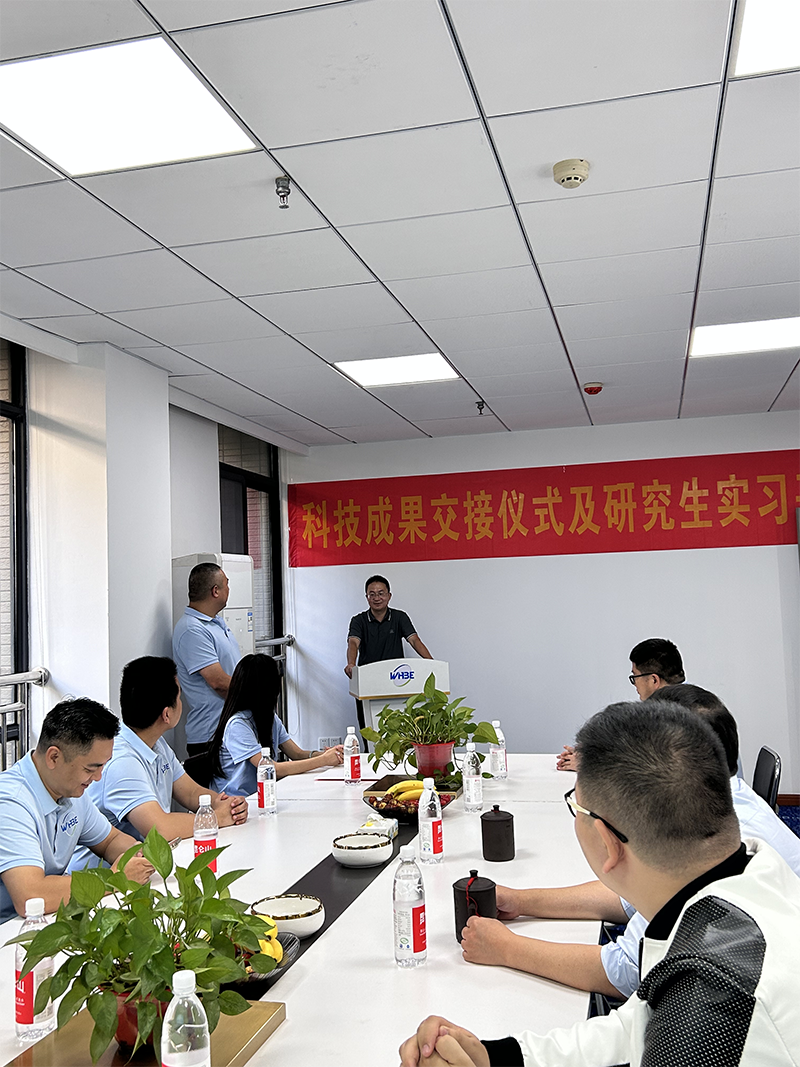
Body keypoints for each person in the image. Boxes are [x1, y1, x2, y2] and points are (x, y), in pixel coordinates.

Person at [400, 701, 800, 1067]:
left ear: (608, 843)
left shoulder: (709, 994)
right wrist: (494, 1057)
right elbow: (638, 1024)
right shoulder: (745, 870)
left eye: (576, 806)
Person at [462, 684, 800, 1001]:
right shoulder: (717, 814)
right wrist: (522, 901)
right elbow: (631, 901)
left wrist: (506, 948)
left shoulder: (711, 846)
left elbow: (624, 972)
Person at [0, 698, 154, 923]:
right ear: (54, 757)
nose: (98, 777)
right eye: (90, 769)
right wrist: (114, 879)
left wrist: (138, 856)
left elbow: (110, 841)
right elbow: (31, 896)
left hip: (49, 920)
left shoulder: (70, 792)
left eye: (103, 766)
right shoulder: (11, 802)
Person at [86, 656, 249, 843]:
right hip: (116, 862)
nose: (181, 702)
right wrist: (217, 818)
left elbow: (190, 793)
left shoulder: (156, 743)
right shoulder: (121, 761)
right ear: (166, 714)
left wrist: (229, 806)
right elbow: (161, 829)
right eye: (179, 697)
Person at [209, 653, 344, 796]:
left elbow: (297, 753)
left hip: (262, 795)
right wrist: (323, 760)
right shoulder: (237, 725)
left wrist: (329, 755)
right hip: (237, 800)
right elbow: (271, 769)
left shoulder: (268, 717)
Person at [557, 637, 685, 770]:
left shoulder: (670, 720)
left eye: (635, 677)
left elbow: (648, 769)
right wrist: (589, 755)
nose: (635, 684)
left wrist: (590, 766)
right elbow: (631, 752)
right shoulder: (690, 704)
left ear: (654, 680)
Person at [345, 575, 433, 729]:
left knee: (398, 727)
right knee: (368, 726)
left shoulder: (400, 617)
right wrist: (351, 663)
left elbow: (414, 640)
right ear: (367, 597)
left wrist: (431, 663)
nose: (377, 598)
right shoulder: (358, 620)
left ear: (389, 596)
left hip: (396, 680)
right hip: (367, 680)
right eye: (372, 594)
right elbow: (353, 643)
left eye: (381, 593)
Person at [173, 562, 241, 755]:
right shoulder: (192, 630)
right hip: (211, 737)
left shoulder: (216, 623)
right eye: (226, 584)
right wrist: (257, 694)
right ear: (215, 591)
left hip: (230, 731)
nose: (229, 589)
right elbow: (218, 683)